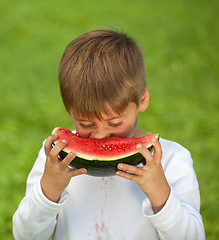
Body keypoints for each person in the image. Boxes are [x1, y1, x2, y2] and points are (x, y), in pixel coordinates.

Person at [13, 29, 205, 239]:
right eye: (86, 124)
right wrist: (48, 189)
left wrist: (161, 195)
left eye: (114, 123)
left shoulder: (172, 160)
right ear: (69, 110)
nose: (100, 137)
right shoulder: (56, 158)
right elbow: (26, 235)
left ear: (142, 100)